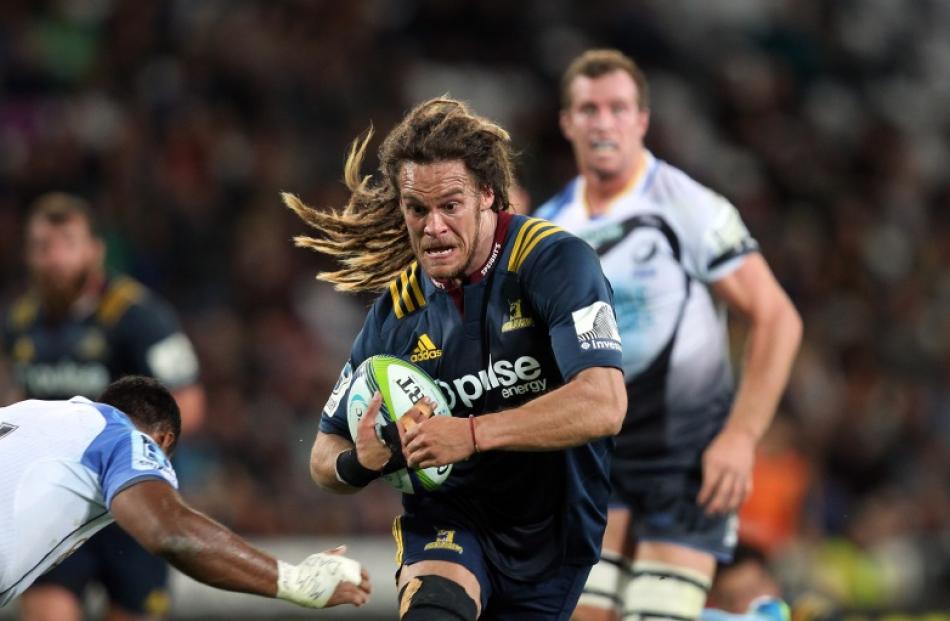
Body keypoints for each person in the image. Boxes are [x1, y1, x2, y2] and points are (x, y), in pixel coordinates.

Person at [283, 97, 627, 620]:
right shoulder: (395, 313)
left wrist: (467, 435)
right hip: (449, 519)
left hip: (555, 534)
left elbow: (604, 403)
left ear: (488, 194)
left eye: (450, 205)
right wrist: (359, 462)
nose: (433, 227)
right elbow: (323, 456)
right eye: (417, 209)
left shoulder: (555, 261)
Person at [535, 49, 803, 621]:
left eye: (618, 108)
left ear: (642, 120)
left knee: (653, 614)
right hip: (595, 454)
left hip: (687, 455)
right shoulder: (550, 231)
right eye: (589, 108)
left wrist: (742, 436)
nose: (603, 121)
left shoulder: (690, 208)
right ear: (567, 123)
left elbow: (778, 316)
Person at [0, 193, 207, 621]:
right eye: (42, 246)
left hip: (131, 507)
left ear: (96, 250)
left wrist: (134, 455)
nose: (54, 258)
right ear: (27, 254)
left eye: (67, 244)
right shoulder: (17, 323)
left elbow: (190, 400)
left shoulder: (141, 318)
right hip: (51, 508)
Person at [0, 375, 371, 610]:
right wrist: (296, 581)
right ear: (163, 440)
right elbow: (171, 531)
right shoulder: (123, 437)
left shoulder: (30, 413)